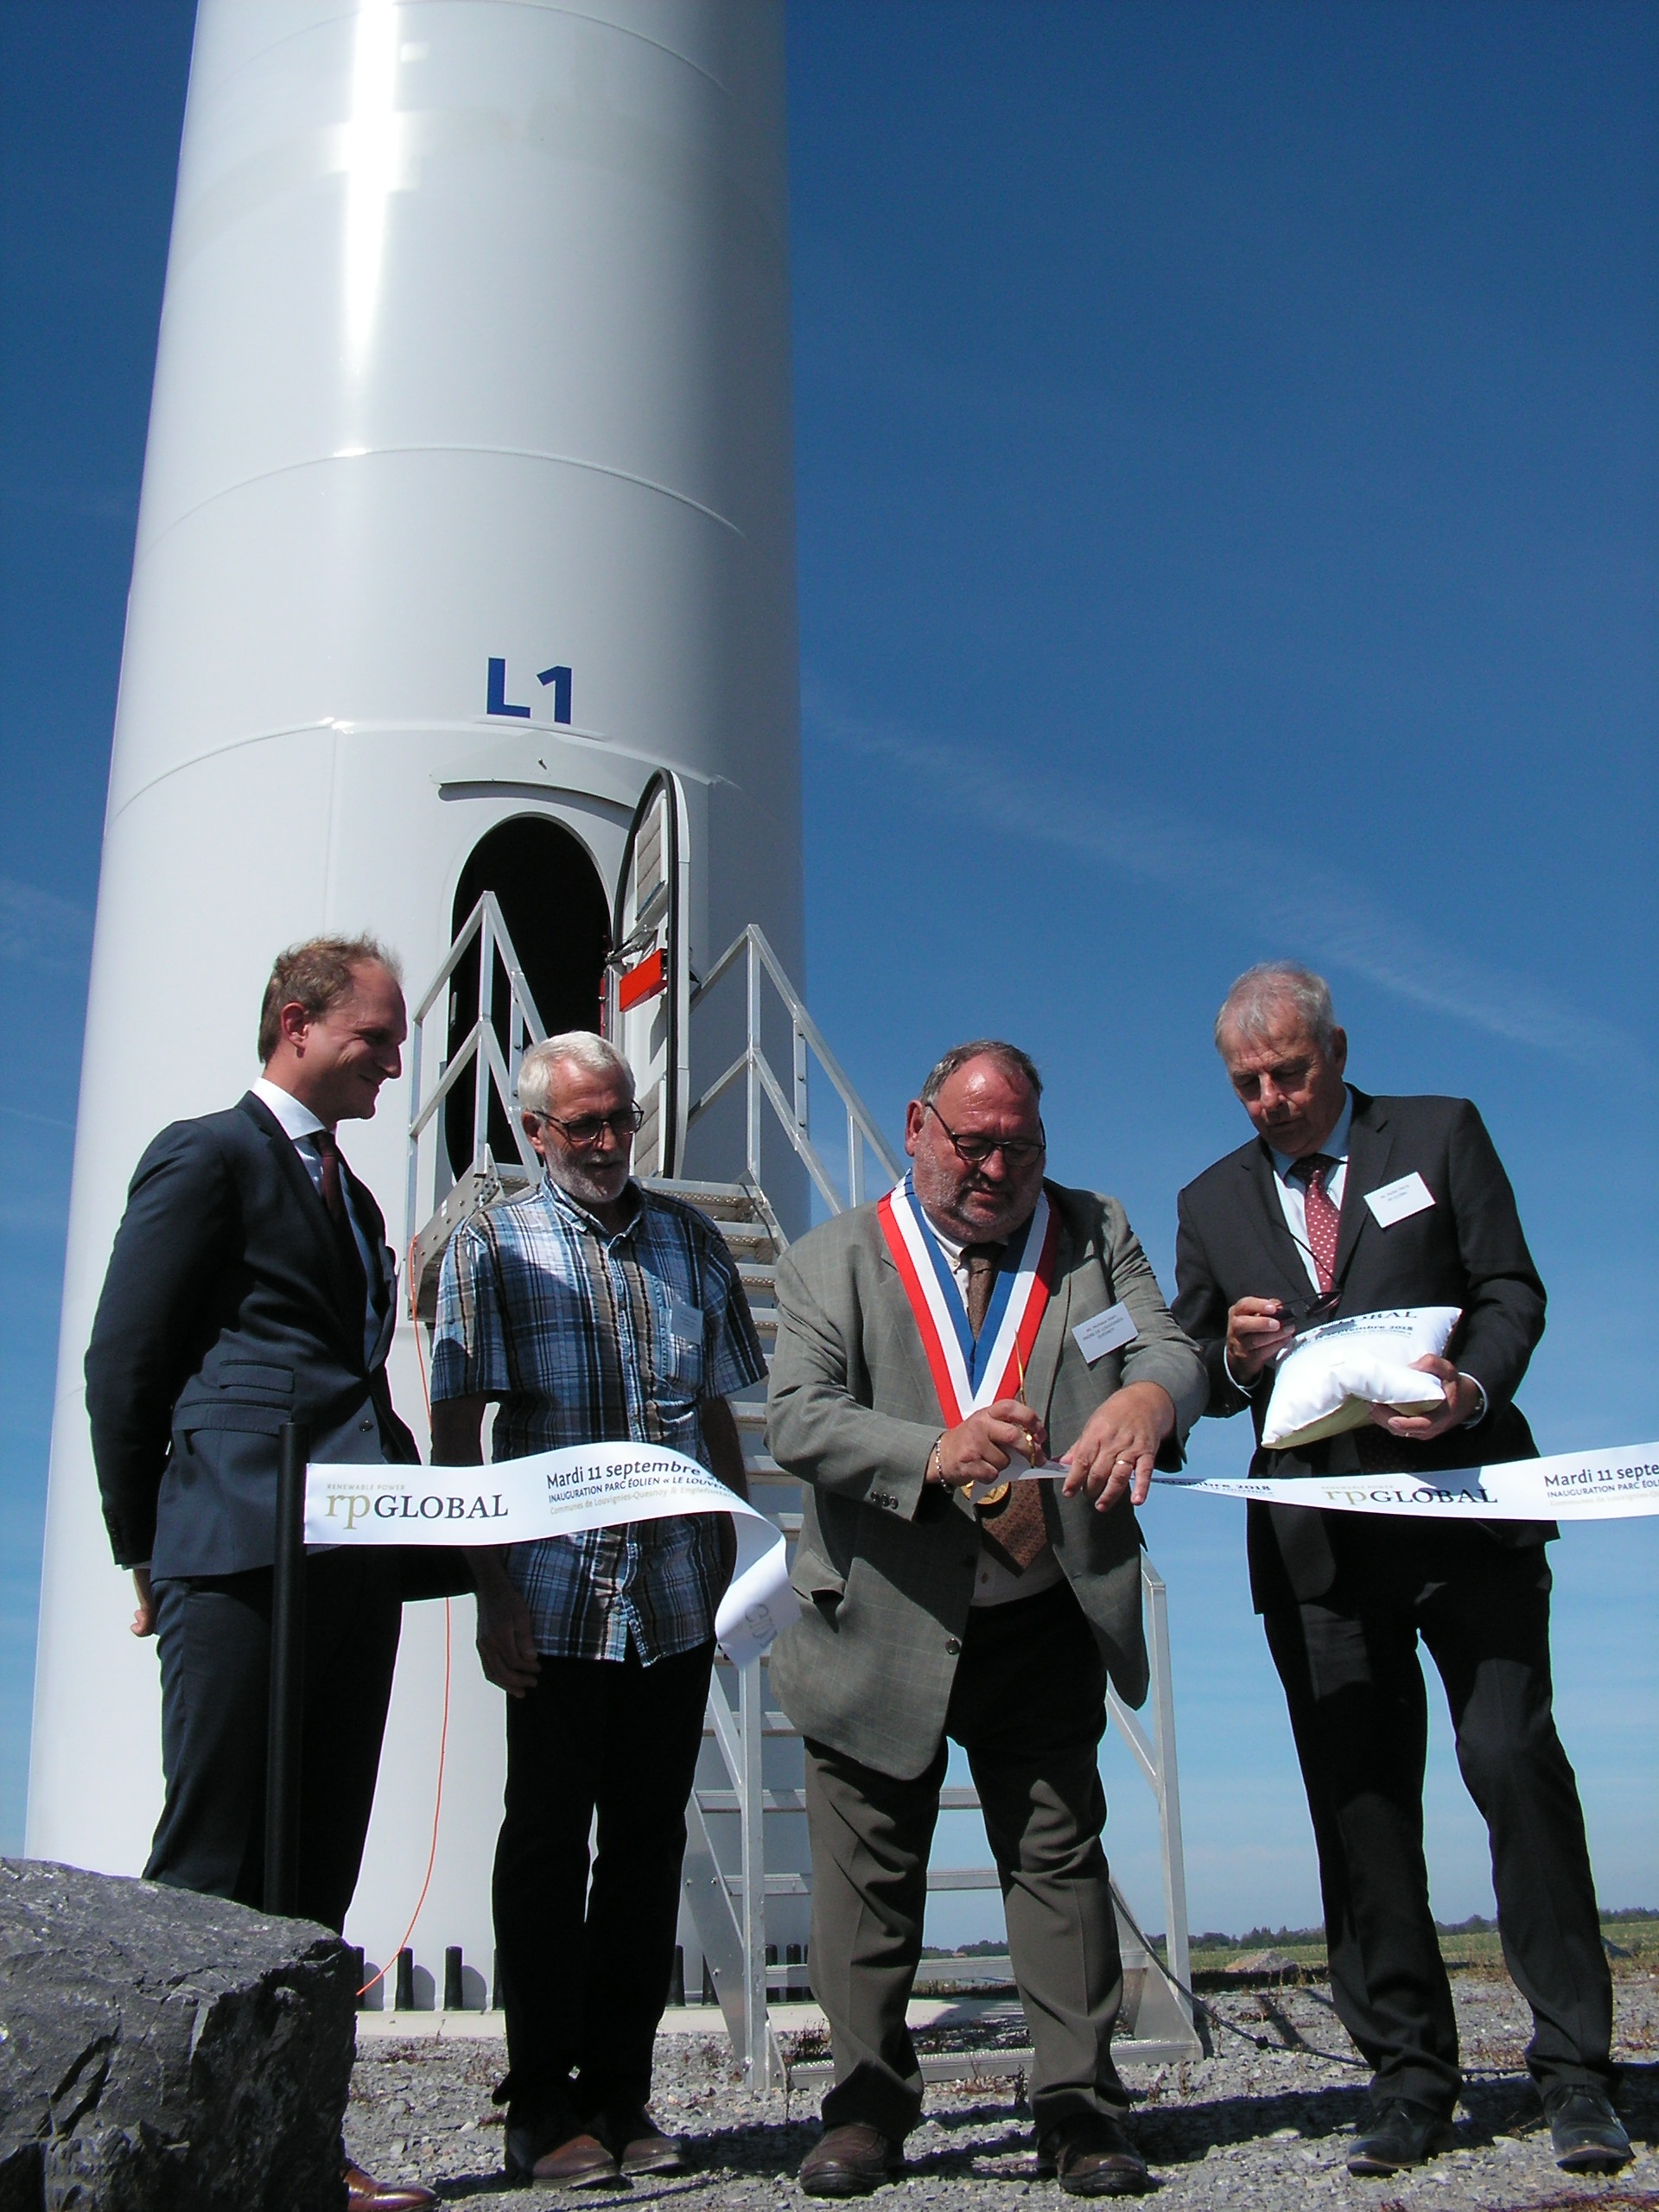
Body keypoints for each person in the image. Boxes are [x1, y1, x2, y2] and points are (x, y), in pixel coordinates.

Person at [1173, 961, 1630, 2181]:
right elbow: (1202, 1379)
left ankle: (1578, 2072)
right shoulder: (1209, 1199)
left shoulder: (1437, 1132)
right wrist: (1229, 1351)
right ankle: (1409, 2079)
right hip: (1319, 1556)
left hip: (1467, 1517)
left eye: (1289, 1074)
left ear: (1335, 1051)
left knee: (1512, 1763)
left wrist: (1474, 1384)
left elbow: (1511, 1290)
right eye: (1245, 1083)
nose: (1268, 1099)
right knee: (1361, 1811)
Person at [766, 1040, 1207, 2199]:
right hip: (880, 1617)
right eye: (973, 1143)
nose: (997, 1167)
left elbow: (1161, 1342)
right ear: (917, 1128)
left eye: (1021, 1145)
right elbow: (799, 1422)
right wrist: (932, 1450)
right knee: (868, 1879)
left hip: (1046, 1611)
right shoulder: (832, 1260)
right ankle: (866, 2105)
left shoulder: (1092, 1230)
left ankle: (1080, 2109)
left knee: (1058, 1861)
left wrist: (1155, 1398)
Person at [85, 935, 436, 2212]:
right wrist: (149, 1544)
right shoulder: (208, 1154)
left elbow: (355, 1388)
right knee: (214, 1857)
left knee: (318, 1869)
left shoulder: (359, 1201)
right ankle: (165, 2160)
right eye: (379, 1036)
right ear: (298, 1022)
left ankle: (297, 2149)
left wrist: (441, 1520)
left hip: (352, 1566)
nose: (400, 1060)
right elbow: (124, 1365)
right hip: (232, 1551)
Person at [429, 1031, 766, 2189]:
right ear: (534, 1134)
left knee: (645, 1847)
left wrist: (736, 1546)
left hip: (673, 1595)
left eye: (621, 1118)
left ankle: (623, 2096)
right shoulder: (492, 1244)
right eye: (584, 1125)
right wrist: (489, 1590)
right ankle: (542, 2102)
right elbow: (455, 1432)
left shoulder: (690, 1239)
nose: (611, 1143)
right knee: (542, 1847)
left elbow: (718, 1408)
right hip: (557, 1603)